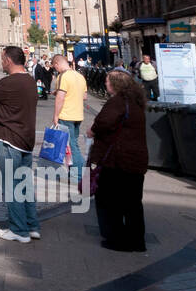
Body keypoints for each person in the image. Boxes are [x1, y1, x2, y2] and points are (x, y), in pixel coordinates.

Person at [0, 46, 40, 242]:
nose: (1, 62)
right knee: (25, 184)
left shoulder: (9, 82)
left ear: (7, 60)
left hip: (9, 139)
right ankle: (32, 225)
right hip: (26, 140)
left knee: (11, 185)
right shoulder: (30, 81)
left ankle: (18, 230)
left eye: (1, 58)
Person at [87, 69, 149, 251]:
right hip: (135, 159)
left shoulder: (117, 102)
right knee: (132, 203)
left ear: (116, 84)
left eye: (107, 81)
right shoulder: (135, 101)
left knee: (110, 200)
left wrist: (92, 130)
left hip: (118, 160)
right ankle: (137, 241)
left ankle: (117, 239)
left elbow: (104, 123)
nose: (105, 84)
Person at [51, 53, 87, 182]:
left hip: (66, 114)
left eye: (55, 67)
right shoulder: (80, 76)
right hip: (78, 115)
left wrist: (55, 115)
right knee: (73, 144)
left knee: (70, 146)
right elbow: (84, 96)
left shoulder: (63, 76)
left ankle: (79, 173)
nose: (55, 70)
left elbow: (60, 97)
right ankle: (75, 171)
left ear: (57, 64)